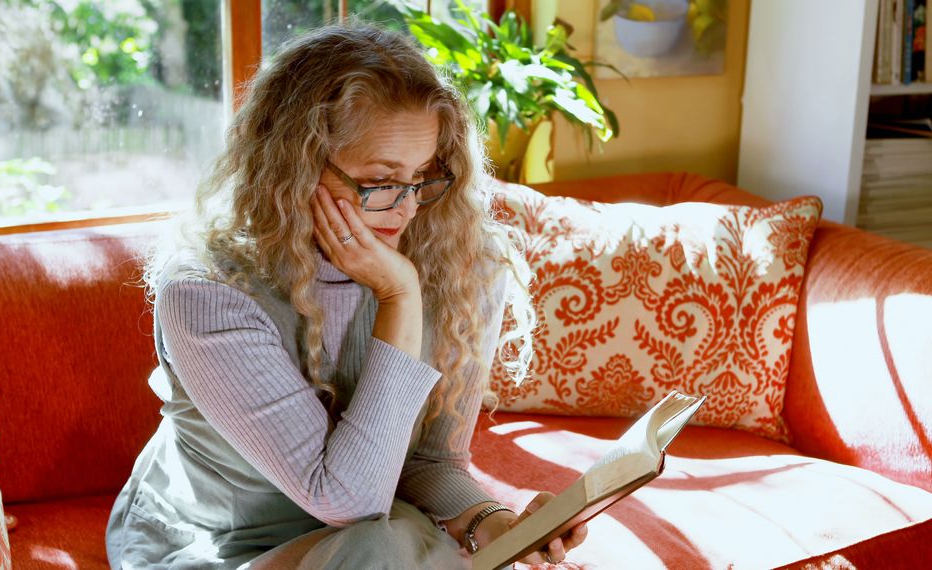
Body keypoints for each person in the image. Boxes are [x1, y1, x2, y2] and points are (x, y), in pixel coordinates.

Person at [105, 22, 587, 569]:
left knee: (389, 546)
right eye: (381, 182)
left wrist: (490, 522)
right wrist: (399, 298)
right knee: (384, 547)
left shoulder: (462, 262)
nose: (407, 208)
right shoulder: (208, 293)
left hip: (378, 531)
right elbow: (348, 501)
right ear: (294, 165)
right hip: (224, 544)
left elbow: (426, 460)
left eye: (422, 176)